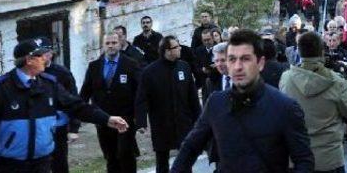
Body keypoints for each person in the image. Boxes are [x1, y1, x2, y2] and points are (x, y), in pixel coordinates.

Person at [171, 29, 314, 173]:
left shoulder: (285, 107)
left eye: (245, 59)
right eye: (232, 59)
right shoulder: (216, 103)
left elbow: (304, 160)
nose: (238, 67)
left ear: (260, 63)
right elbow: (190, 147)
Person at [0, 38, 128, 173]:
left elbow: (77, 106)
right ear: (29, 60)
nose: (45, 58)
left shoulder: (49, 84)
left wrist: (107, 119)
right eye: (40, 55)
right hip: (8, 165)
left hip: (42, 163)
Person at [280, 31, 347, 173]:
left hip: (297, 156)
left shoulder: (286, 79)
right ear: (322, 52)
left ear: (299, 51)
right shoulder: (336, 81)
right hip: (329, 158)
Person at [135, 34, 201, 173]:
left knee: (185, 159)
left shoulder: (184, 67)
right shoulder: (150, 72)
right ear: (167, 50)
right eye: (176, 47)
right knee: (162, 160)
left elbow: (193, 96)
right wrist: (141, 122)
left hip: (183, 121)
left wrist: (199, 119)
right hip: (161, 122)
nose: (180, 49)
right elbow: (142, 99)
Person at [80, 32, 141, 173]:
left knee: (125, 153)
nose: (111, 46)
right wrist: (79, 114)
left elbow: (139, 92)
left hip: (125, 118)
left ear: (120, 44)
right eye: (107, 43)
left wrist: (140, 116)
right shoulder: (94, 66)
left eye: (114, 43)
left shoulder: (131, 64)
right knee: (110, 156)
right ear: (103, 45)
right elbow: (85, 92)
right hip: (102, 119)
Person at [41, 38, 81, 173]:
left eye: (44, 52)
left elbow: (74, 100)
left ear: (51, 53)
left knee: (59, 163)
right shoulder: (31, 73)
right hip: (39, 127)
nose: (41, 57)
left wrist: (74, 128)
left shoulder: (62, 73)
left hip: (59, 126)